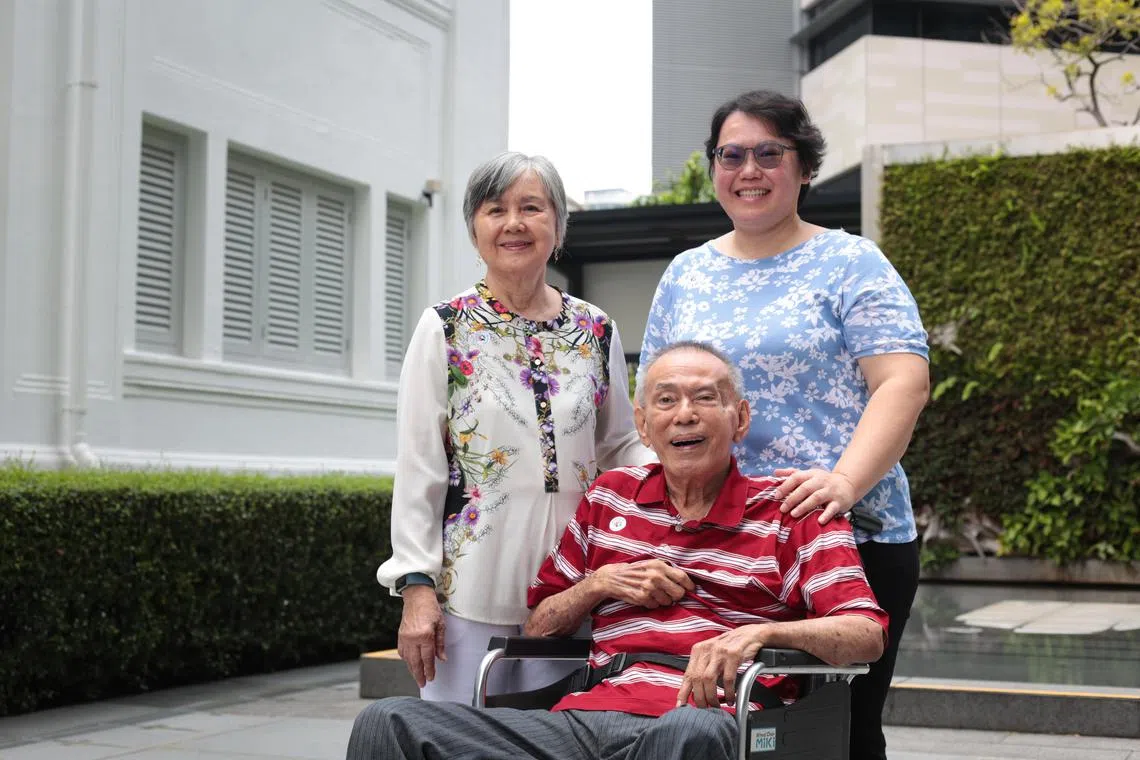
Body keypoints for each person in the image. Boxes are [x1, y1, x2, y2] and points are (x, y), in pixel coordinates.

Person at [348, 342, 888, 760]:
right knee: (390, 722)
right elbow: (540, 626)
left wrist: (758, 634)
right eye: (667, 400)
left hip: (715, 718)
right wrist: (600, 583)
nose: (685, 414)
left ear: (740, 419)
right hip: (587, 717)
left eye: (706, 397)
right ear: (643, 424)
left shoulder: (790, 510)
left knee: (690, 730)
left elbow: (866, 634)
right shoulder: (609, 498)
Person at [638, 90, 930, 760]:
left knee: (838, 732)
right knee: (726, 722)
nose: (749, 170)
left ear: (802, 166)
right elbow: (652, 401)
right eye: (731, 155)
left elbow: (903, 382)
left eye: (770, 153)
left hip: (844, 536)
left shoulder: (852, 263)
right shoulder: (687, 274)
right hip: (722, 544)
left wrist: (843, 484)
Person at [376, 152, 654, 702]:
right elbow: (419, 467)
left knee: (564, 738)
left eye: (532, 207)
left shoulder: (595, 328)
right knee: (468, 742)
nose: (514, 223)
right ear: (475, 229)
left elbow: (620, 441)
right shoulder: (445, 328)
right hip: (471, 590)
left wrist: (678, 481)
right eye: (495, 209)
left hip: (575, 586)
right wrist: (415, 589)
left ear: (557, 225)